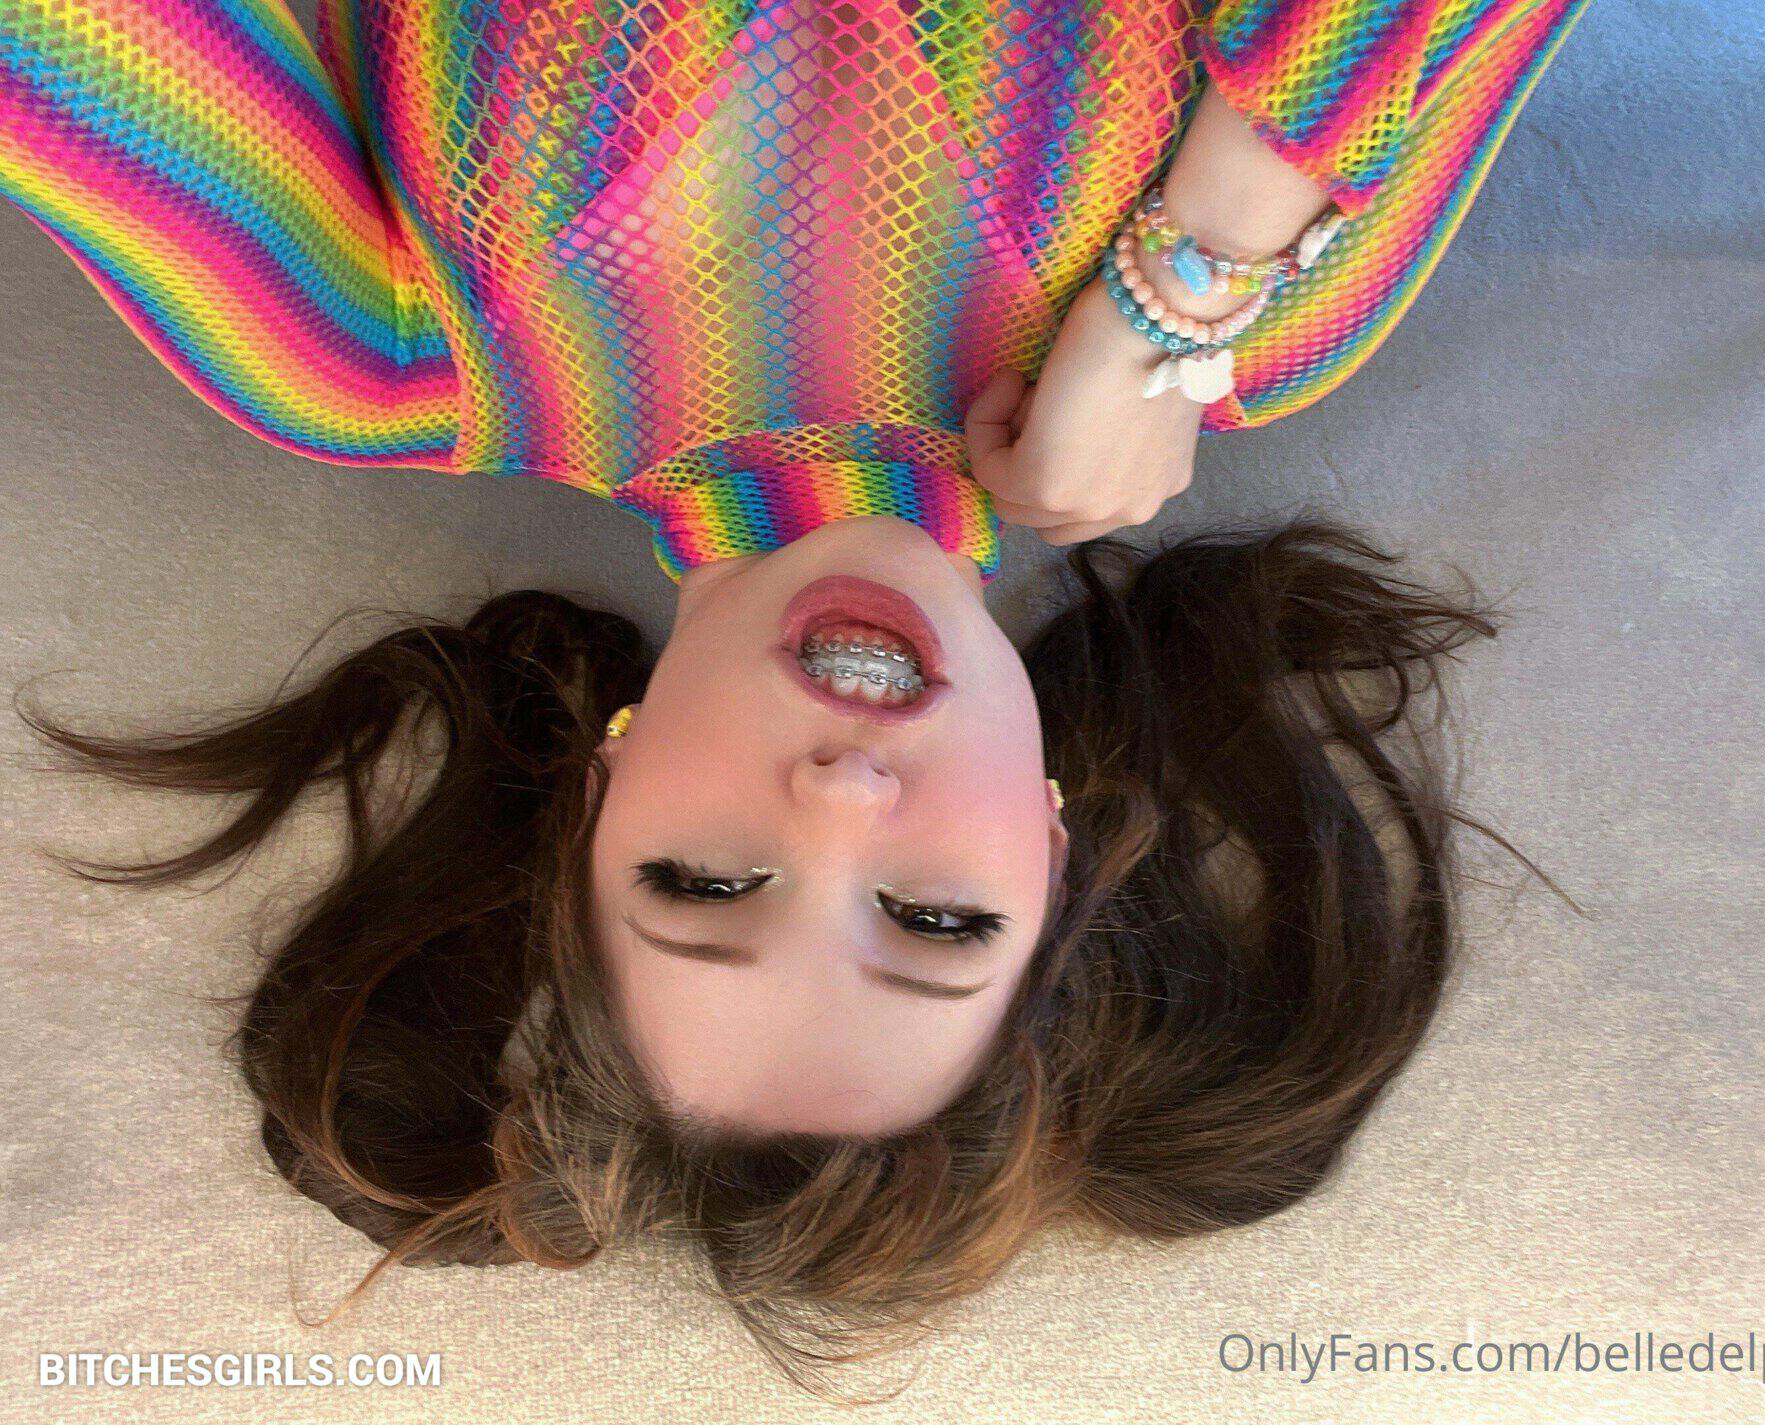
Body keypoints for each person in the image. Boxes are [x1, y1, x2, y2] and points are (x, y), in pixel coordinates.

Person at [1, 0, 1588, 1401]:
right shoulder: (1263, 321)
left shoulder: (371, 352)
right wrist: (1182, 289)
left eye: (707, 885)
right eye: (936, 920)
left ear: (598, 793)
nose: (840, 801)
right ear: (1054, 849)